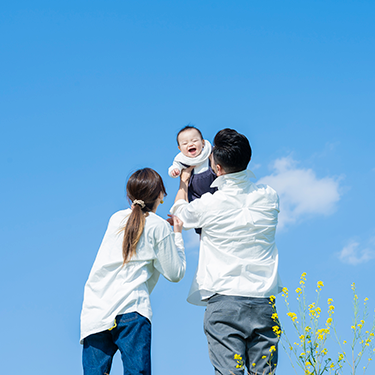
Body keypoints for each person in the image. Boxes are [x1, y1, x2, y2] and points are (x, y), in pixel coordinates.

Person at [170, 129, 282, 375]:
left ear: (217, 170)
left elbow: (179, 213)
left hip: (224, 300)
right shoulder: (270, 196)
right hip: (263, 301)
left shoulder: (210, 204)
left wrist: (184, 182)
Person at [80, 168, 186, 375]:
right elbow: (175, 273)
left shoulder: (116, 219)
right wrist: (177, 236)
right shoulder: (159, 227)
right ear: (161, 195)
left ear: (129, 196)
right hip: (131, 309)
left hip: (95, 311)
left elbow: (137, 235)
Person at [168, 125, 217, 233]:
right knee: (197, 217)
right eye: (185, 143)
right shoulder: (182, 160)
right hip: (195, 194)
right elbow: (174, 166)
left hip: (213, 187)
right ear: (180, 149)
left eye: (194, 141)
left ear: (203, 143)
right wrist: (174, 171)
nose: (190, 144)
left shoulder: (208, 153)